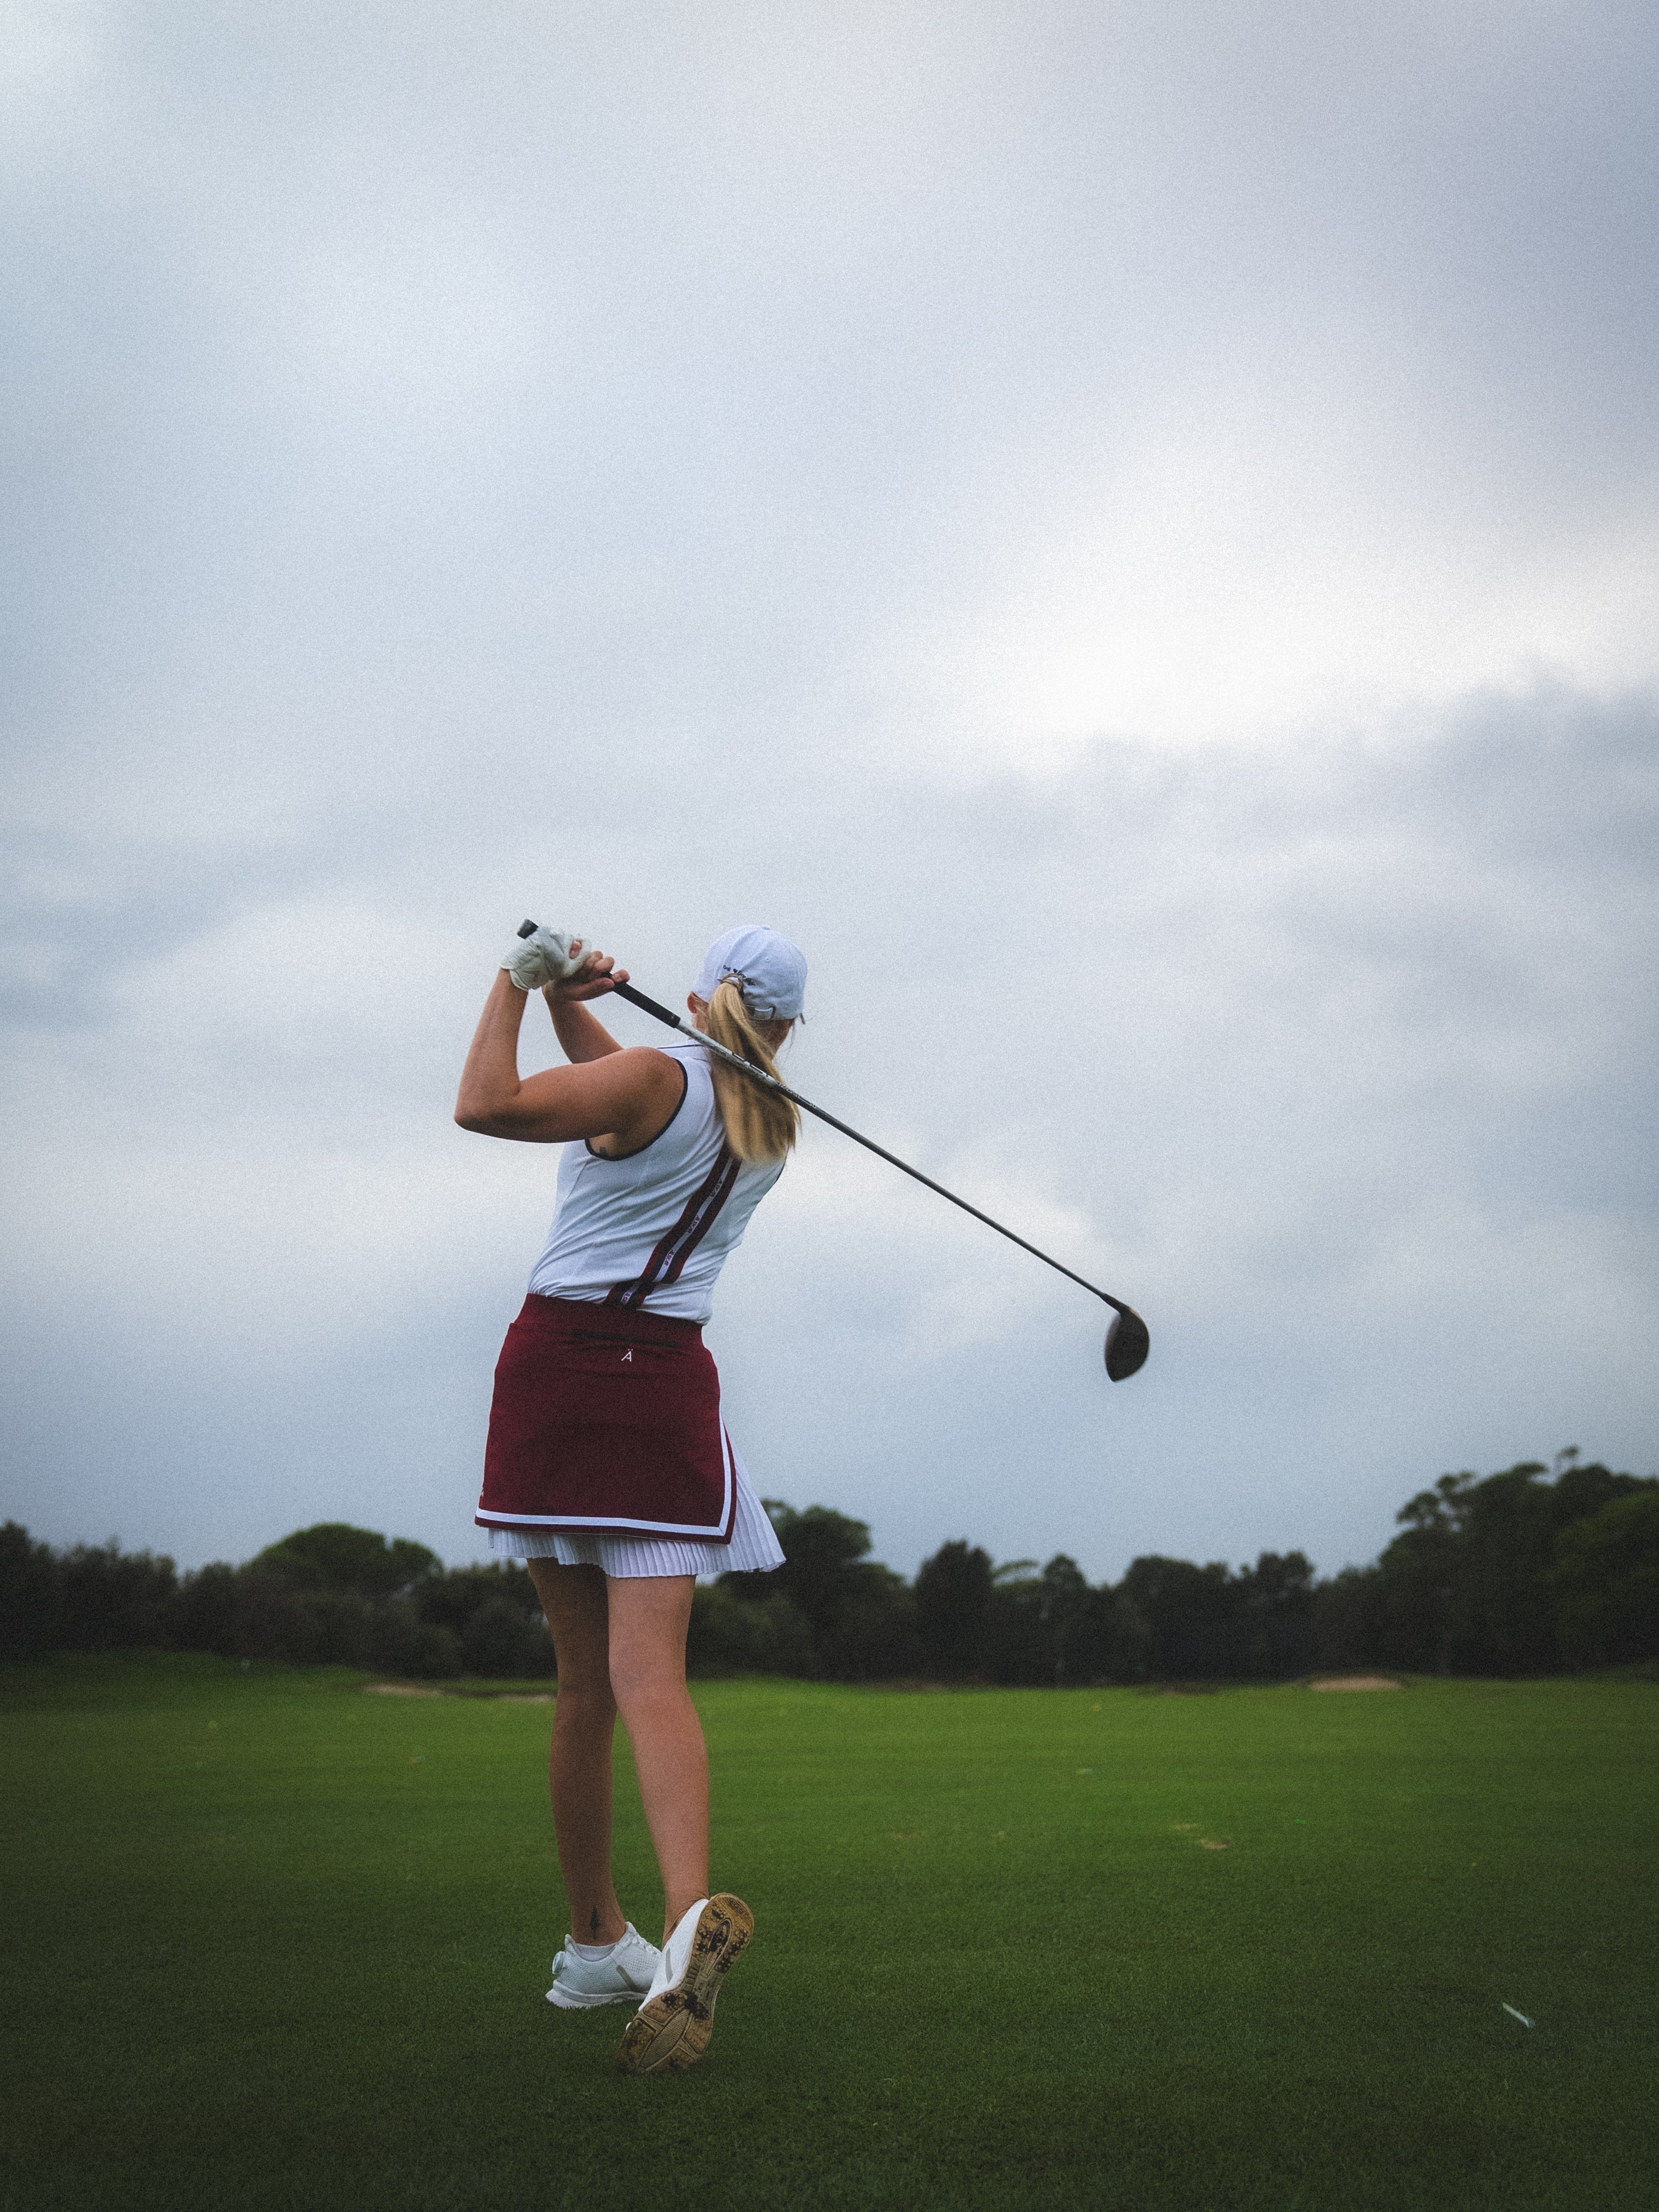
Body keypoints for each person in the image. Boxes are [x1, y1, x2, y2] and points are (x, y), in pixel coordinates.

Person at [453, 920, 807, 2076]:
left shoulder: (660, 1075)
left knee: (581, 1686)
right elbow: (627, 1104)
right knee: (650, 1679)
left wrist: (516, 980)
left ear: (700, 997)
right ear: (788, 1027)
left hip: (561, 1369)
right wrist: (576, 998)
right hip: (661, 1382)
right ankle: (660, 1935)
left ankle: (591, 1937)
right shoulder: (768, 1118)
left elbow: (487, 1105)